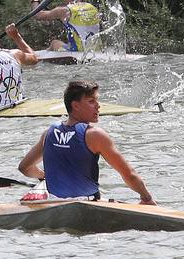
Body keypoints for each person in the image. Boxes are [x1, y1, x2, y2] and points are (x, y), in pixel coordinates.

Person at [16, 79, 155, 204]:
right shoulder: (95, 135)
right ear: (75, 106)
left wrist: (45, 177)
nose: (98, 106)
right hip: (87, 204)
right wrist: (146, 198)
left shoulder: (49, 133)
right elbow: (129, 175)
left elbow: (25, 168)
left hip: (53, 203)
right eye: (91, 101)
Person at [30, 0, 101, 52]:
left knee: (54, 43)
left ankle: (40, 58)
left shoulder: (64, 11)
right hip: (96, 51)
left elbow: (38, 15)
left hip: (79, 52)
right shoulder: (93, 7)